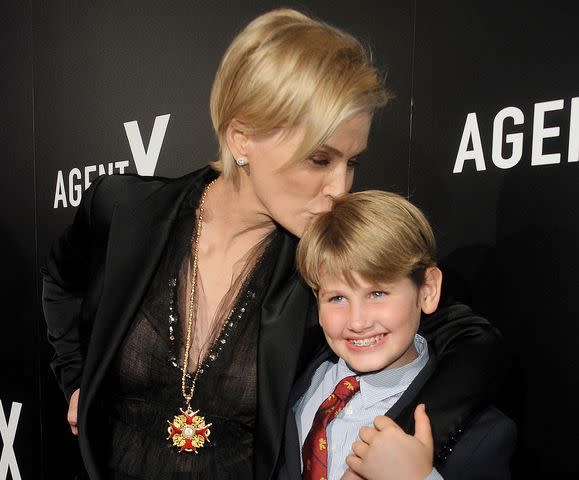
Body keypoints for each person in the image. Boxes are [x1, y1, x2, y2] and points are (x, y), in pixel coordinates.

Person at [42, 8, 504, 480]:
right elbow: (61, 283)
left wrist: (402, 447)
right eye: (320, 159)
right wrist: (78, 381)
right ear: (241, 137)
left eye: (352, 162)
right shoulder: (122, 210)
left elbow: (471, 341)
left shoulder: (327, 257)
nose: (340, 187)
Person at [277, 190, 516, 480]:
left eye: (377, 293)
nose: (357, 321)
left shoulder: (482, 436)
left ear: (427, 290)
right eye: (337, 298)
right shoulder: (292, 384)